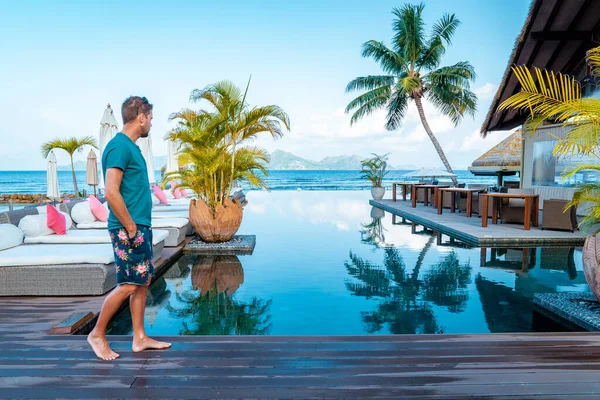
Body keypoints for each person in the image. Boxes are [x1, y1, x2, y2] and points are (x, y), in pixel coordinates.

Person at [87, 96, 171, 360]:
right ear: (142, 116)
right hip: (128, 228)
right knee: (127, 284)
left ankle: (140, 337)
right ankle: (97, 334)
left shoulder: (132, 148)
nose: (151, 124)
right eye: (151, 118)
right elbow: (111, 192)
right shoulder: (119, 147)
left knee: (142, 282)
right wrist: (131, 226)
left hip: (138, 226)